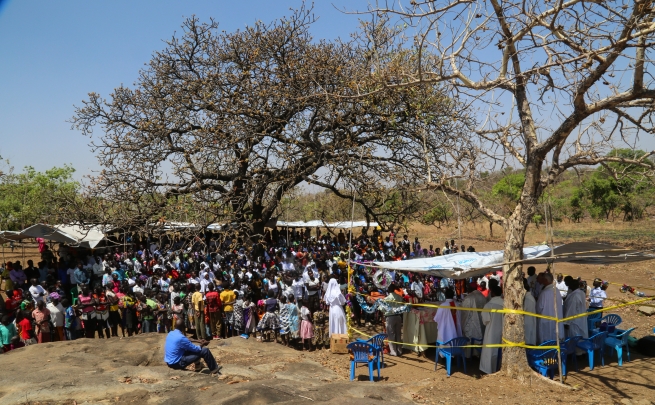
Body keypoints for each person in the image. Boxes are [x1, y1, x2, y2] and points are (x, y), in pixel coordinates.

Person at [480, 286, 504, 374]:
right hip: (503, 332)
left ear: (492, 293)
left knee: (489, 352)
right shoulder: (505, 304)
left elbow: (485, 320)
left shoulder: (488, 305)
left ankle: (488, 369)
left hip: (491, 331)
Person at [536, 273, 565, 344]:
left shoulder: (544, 293)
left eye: (543, 280)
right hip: (555, 320)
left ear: (546, 280)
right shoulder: (557, 291)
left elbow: (538, 309)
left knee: (547, 343)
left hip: (546, 322)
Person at [460, 283, 486, 355]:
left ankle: (470, 355)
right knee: (480, 336)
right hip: (482, 321)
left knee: (471, 337)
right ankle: (478, 354)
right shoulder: (482, 296)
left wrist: (462, 324)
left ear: (470, 288)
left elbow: (465, 312)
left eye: (468, 287)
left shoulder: (469, 298)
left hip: (472, 321)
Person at [382, 283, 404, 357]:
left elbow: (382, 309)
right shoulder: (399, 297)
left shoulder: (386, 299)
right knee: (398, 334)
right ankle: (399, 350)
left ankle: (393, 352)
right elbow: (402, 305)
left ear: (388, 289)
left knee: (391, 335)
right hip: (398, 316)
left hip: (390, 317)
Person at [522, 279, 537, 346]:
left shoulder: (528, 299)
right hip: (528, 323)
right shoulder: (528, 298)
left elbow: (522, 311)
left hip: (527, 324)